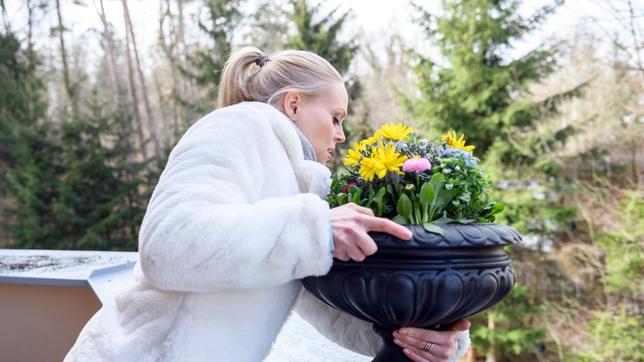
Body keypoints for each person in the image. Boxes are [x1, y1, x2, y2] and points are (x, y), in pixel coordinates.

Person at [64, 47, 471, 362]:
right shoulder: (234, 126)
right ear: (293, 104)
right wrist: (317, 230)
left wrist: (420, 332)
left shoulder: (302, 193)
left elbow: (330, 308)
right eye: (336, 117)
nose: (342, 135)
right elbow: (166, 245)